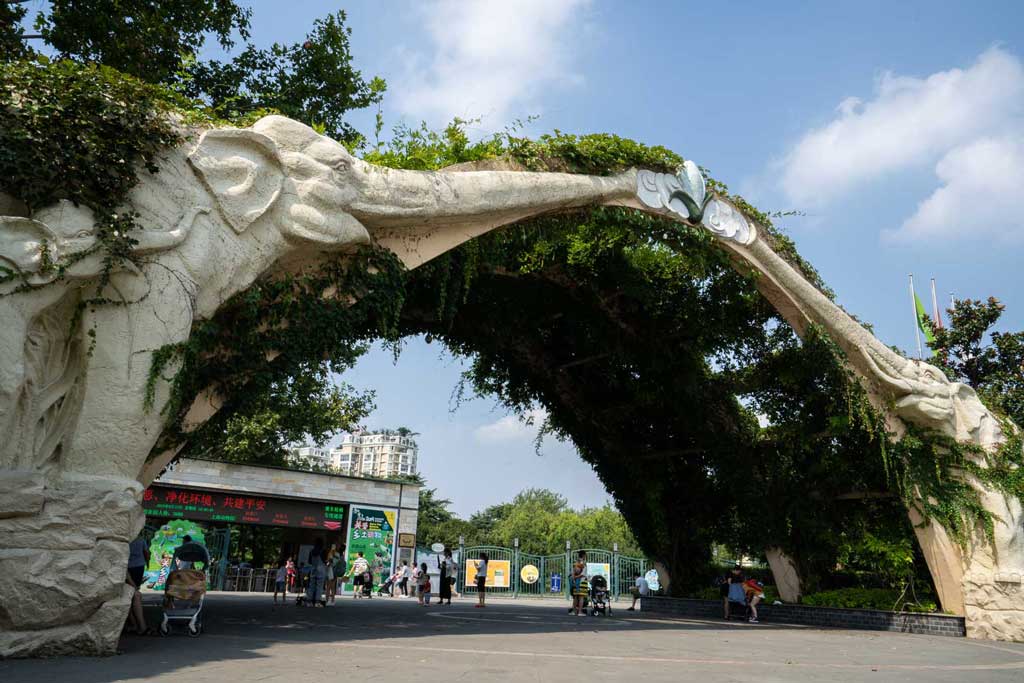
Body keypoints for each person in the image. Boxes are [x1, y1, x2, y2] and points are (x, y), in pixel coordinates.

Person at [125, 534, 151, 635]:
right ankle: (138, 625)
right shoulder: (141, 539)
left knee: (133, 595)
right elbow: (146, 552)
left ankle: (135, 625)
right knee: (134, 594)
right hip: (138, 566)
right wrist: (147, 562)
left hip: (129, 568)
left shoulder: (126, 540)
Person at [305, 539, 327, 606]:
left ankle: (309, 601)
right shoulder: (323, 551)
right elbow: (325, 561)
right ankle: (317, 602)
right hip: (321, 570)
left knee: (311, 586)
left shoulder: (312, 551)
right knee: (319, 586)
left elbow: (309, 561)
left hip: (313, 569)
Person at [571, 551, 587, 616]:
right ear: (583, 555)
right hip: (581, 581)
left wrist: (574, 577)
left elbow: (573, 572)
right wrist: (577, 576)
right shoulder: (582, 563)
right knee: (581, 597)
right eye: (585, 555)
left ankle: (574, 611)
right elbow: (582, 574)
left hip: (575, 581)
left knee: (575, 597)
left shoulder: (575, 562)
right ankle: (580, 612)